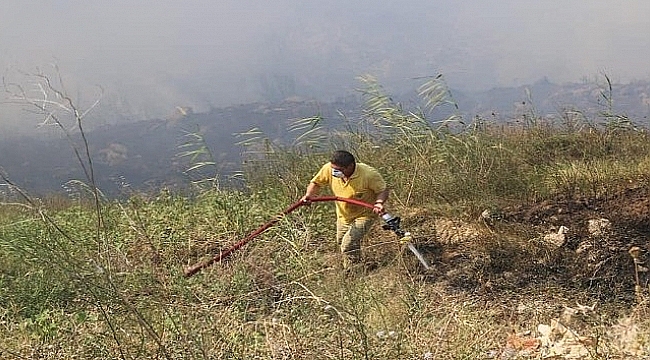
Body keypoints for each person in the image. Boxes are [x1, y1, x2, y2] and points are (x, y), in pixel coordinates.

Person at [301, 150, 389, 270]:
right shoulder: (328, 169)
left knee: (348, 245)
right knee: (341, 241)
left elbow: (382, 190)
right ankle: (355, 264)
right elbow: (316, 183)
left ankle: (354, 271)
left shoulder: (368, 175)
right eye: (333, 169)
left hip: (365, 214)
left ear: (350, 166)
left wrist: (379, 203)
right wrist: (309, 195)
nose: (334, 172)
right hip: (344, 215)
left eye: (338, 170)